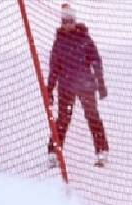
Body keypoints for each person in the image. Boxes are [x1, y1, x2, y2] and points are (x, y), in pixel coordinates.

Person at [45, 3, 110, 167]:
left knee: (92, 116)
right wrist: (49, 90)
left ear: (75, 21)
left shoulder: (85, 39)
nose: (68, 24)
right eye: (65, 21)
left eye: (70, 21)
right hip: (66, 86)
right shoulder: (59, 43)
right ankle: (54, 152)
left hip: (85, 84)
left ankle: (101, 151)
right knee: (63, 119)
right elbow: (54, 69)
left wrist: (100, 83)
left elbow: (96, 60)